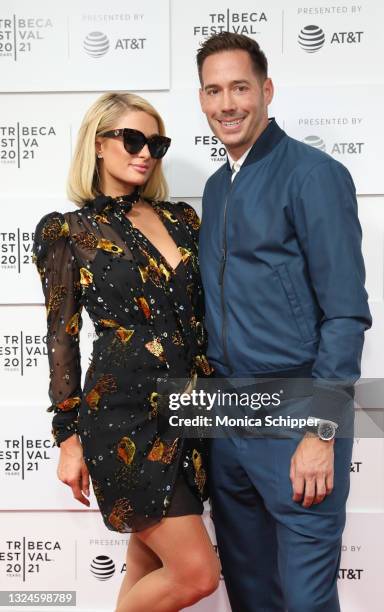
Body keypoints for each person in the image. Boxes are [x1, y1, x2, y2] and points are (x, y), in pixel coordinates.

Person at [196, 33, 372, 612]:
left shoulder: (314, 175)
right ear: (202, 99)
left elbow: (346, 312)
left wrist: (321, 431)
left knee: (304, 599)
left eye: (240, 87)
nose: (228, 104)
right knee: (250, 593)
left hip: (297, 412)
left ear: (266, 91)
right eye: (214, 90)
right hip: (227, 417)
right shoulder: (218, 187)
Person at [32, 92, 220, 612]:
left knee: (149, 569)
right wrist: (68, 437)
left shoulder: (183, 220)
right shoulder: (67, 232)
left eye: (155, 143)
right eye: (132, 139)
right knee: (196, 575)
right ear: (98, 144)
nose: (145, 153)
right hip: (124, 417)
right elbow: (61, 340)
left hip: (192, 409)